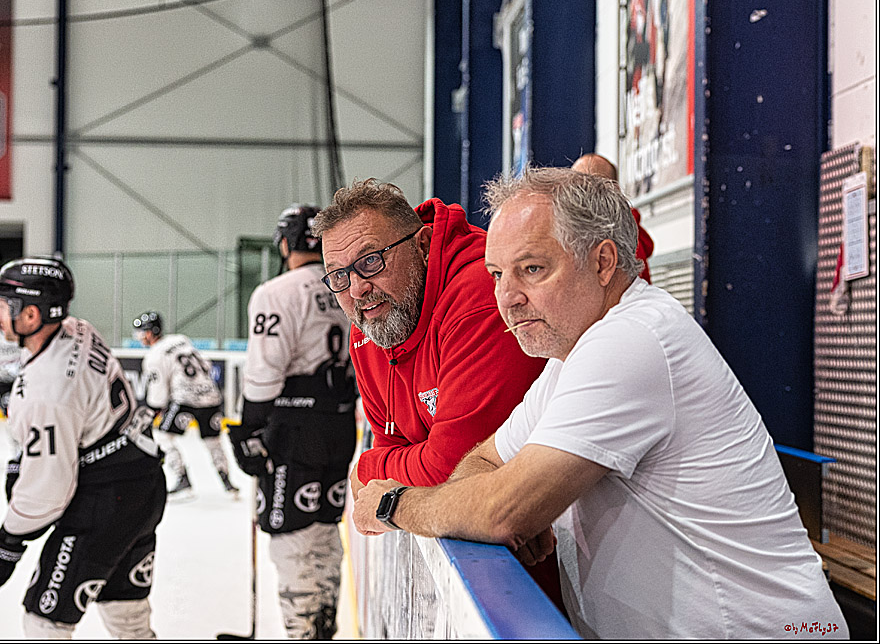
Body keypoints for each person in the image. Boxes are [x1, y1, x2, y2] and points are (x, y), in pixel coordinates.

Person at [351, 167, 847, 639]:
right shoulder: (573, 353)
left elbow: (503, 510)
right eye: (498, 273)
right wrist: (503, 503)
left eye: (532, 269)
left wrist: (396, 503)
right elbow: (483, 463)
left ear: (603, 262)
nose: (507, 296)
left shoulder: (632, 339)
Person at [311, 178, 564, 609]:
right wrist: (393, 468)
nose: (357, 290)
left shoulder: (481, 297)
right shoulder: (371, 327)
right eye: (339, 276)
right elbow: (395, 447)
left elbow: (454, 468)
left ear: (424, 244)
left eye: (370, 262)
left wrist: (372, 469)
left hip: (550, 585)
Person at [0, 257, 166, 639]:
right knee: (127, 613)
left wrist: (4, 543)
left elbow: (49, 489)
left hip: (106, 503)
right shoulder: (79, 329)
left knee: (44, 620)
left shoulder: (47, 392)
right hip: (144, 485)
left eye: (3, 305)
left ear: (32, 315)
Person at [228, 205, 357, 639]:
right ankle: (324, 625)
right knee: (323, 529)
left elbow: (264, 371)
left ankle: (304, 632)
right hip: (339, 427)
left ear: (284, 244)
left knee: (290, 535)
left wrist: (248, 430)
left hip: (293, 430)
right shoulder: (347, 288)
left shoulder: (276, 292)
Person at [132, 310, 239, 497]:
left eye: (142, 332)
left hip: (185, 400)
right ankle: (227, 482)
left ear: (150, 332)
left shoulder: (154, 356)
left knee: (163, 436)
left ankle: (182, 480)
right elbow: (205, 364)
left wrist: (154, 410)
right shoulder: (180, 339)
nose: (140, 337)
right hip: (211, 396)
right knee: (212, 440)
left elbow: (158, 394)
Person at [571, 152, 655, 282]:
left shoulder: (623, 237)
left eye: (587, 187)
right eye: (574, 187)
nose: (579, 195)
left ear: (613, 190)